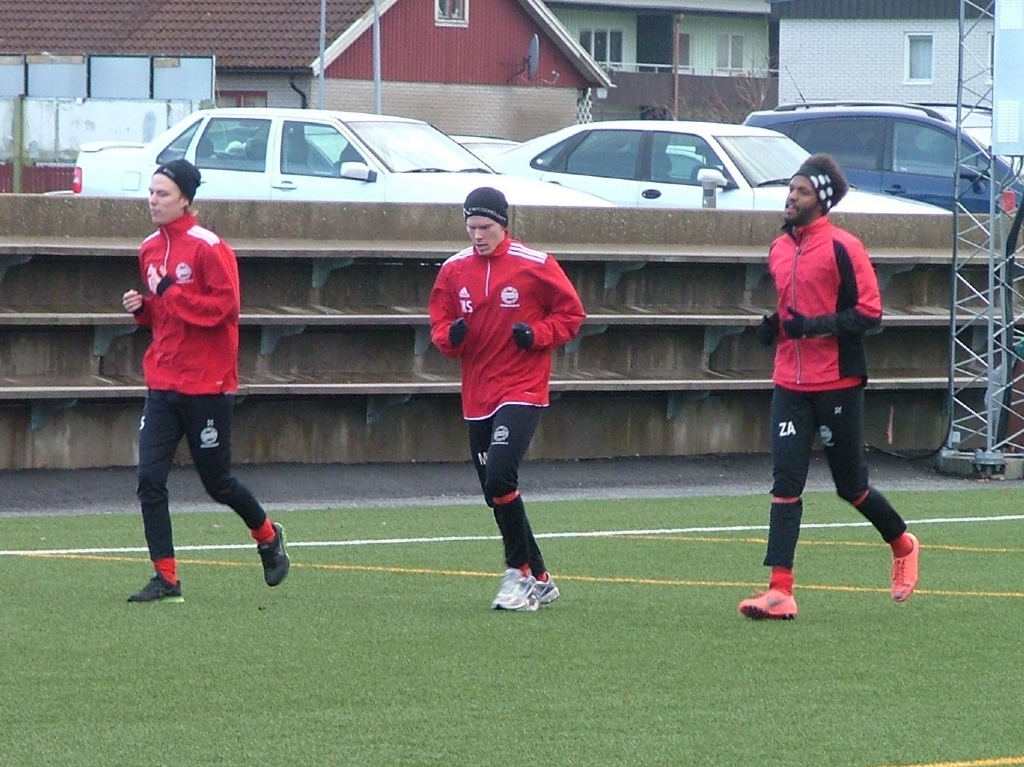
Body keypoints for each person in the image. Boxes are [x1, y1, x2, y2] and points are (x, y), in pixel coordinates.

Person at [739, 153, 920, 620]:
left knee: (851, 487)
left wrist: (811, 327)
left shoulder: (844, 247)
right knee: (786, 483)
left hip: (837, 380)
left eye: (801, 191)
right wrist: (774, 324)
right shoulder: (779, 249)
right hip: (789, 382)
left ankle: (902, 542)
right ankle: (780, 590)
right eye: (790, 189)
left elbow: (869, 313)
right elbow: (793, 308)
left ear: (821, 200)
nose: (791, 197)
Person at [121, 158, 289, 603]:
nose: (153, 201)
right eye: (151, 192)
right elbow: (166, 316)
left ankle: (267, 535)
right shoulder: (149, 248)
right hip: (163, 381)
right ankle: (166, 577)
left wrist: (168, 292)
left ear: (185, 200)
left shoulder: (210, 248)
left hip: (207, 385)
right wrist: (144, 308)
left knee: (217, 483)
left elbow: (223, 311)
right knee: (149, 479)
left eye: (162, 193)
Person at [428, 187, 586, 611]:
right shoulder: (453, 269)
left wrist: (536, 335)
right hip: (477, 392)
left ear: (503, 225)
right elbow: (440, 324)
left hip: (521, 387)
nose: (478, 235)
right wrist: (451, 337)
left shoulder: (536, 264)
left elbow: (572, 315)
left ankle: (517, 575)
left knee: (500, 476)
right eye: (471, 227)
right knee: (495, 490)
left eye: (486, 227)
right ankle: (541, 578)